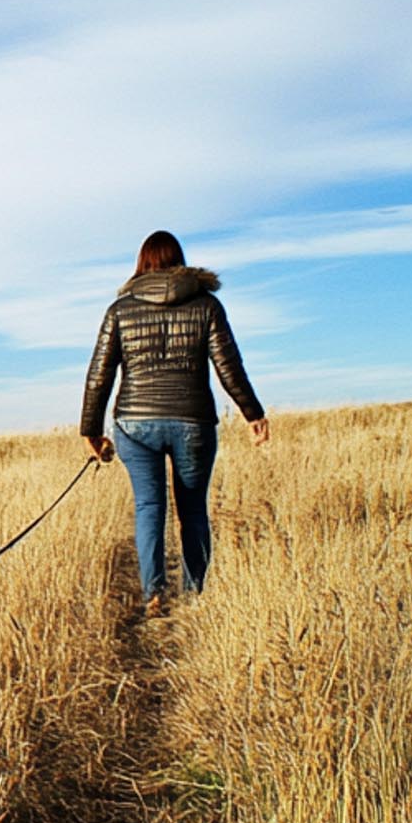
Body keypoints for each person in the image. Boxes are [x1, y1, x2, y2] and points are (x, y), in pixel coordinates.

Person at [79, 230, 269, 616]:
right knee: (194, 510)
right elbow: (229, 366)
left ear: (142, 264)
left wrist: (91, 430)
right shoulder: (207, 306)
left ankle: (154, 595)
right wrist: (253, 413)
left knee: (149, 507)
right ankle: (194, 596)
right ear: (181, 261)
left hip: (135, 422)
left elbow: (100, 373)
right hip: (193, 420)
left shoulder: (120, 310)